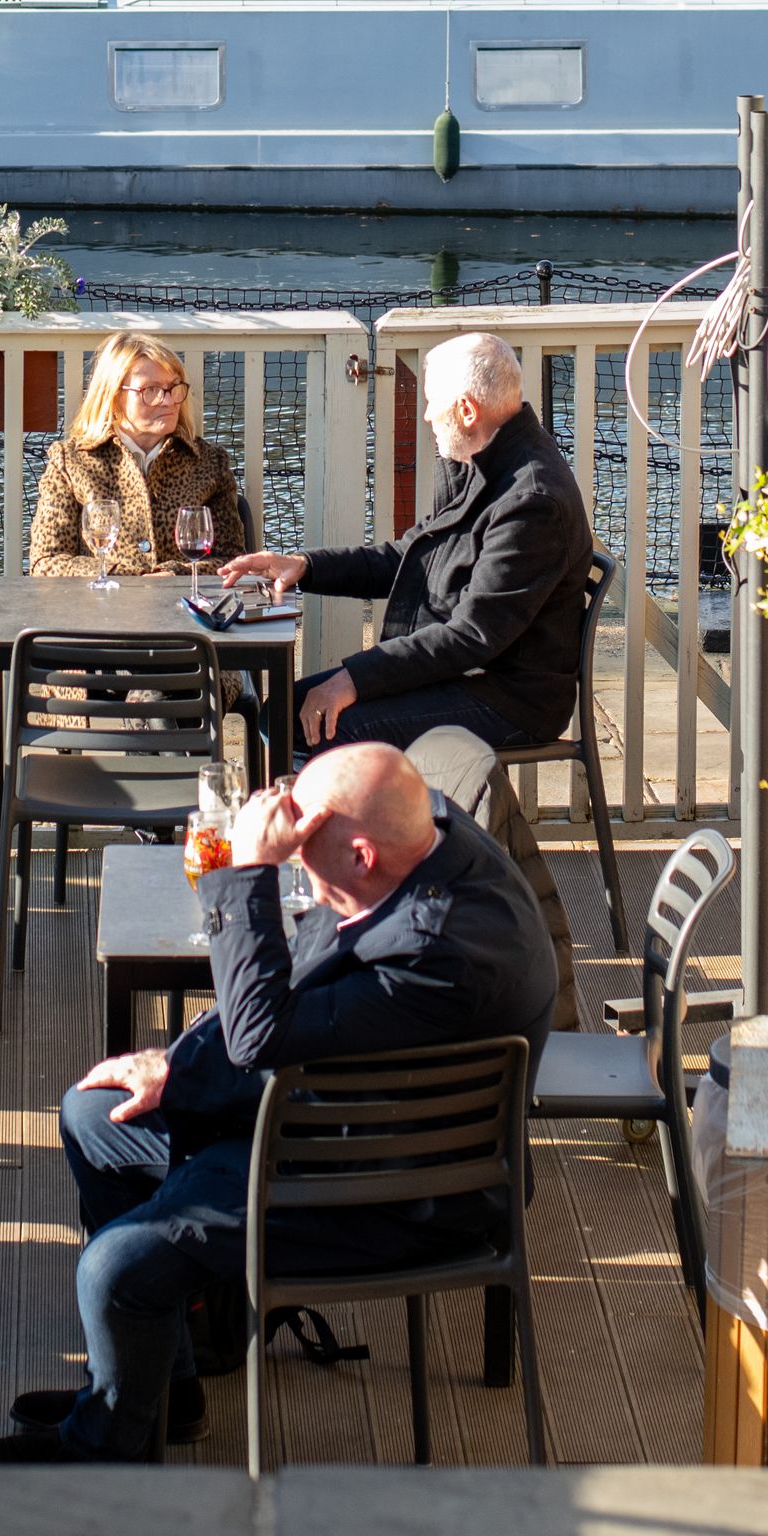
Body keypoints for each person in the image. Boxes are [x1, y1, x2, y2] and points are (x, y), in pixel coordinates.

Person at [0, 744, 554, 1463]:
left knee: (116, 1268)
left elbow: (261, 1036)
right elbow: (301, 1014)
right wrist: (175, 1068)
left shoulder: (434, 955)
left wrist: (246, 875)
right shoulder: (431, 839)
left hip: (399, 1192)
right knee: (97, 1117)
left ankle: (103, 1451)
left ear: (361, 855)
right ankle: (159, 1392)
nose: (294, 856)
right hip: (347, 1117)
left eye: (305, 844)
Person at [231, 330, 592, 1021]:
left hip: (508, 696)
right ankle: (328, 897)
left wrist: (354, 679)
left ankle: (341, 902)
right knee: (291, 706)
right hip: (471, 672)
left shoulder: (532, 497)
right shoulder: (478, 460)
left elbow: (472, 636)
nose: (424, 416)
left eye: (430, 404)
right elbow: (410, 558)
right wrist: (306, 566)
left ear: (466, 410)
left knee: (315, 721)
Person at [27, 327, 247, 580]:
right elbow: (46, 563)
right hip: (101, 604)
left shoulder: (209, 463)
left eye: (174, 388)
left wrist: (174, 574)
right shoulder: (71, 462)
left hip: (182, 604)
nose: (168, 401)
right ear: (113, 396)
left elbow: (233, 561)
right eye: (150, 390)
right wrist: (127, 578)